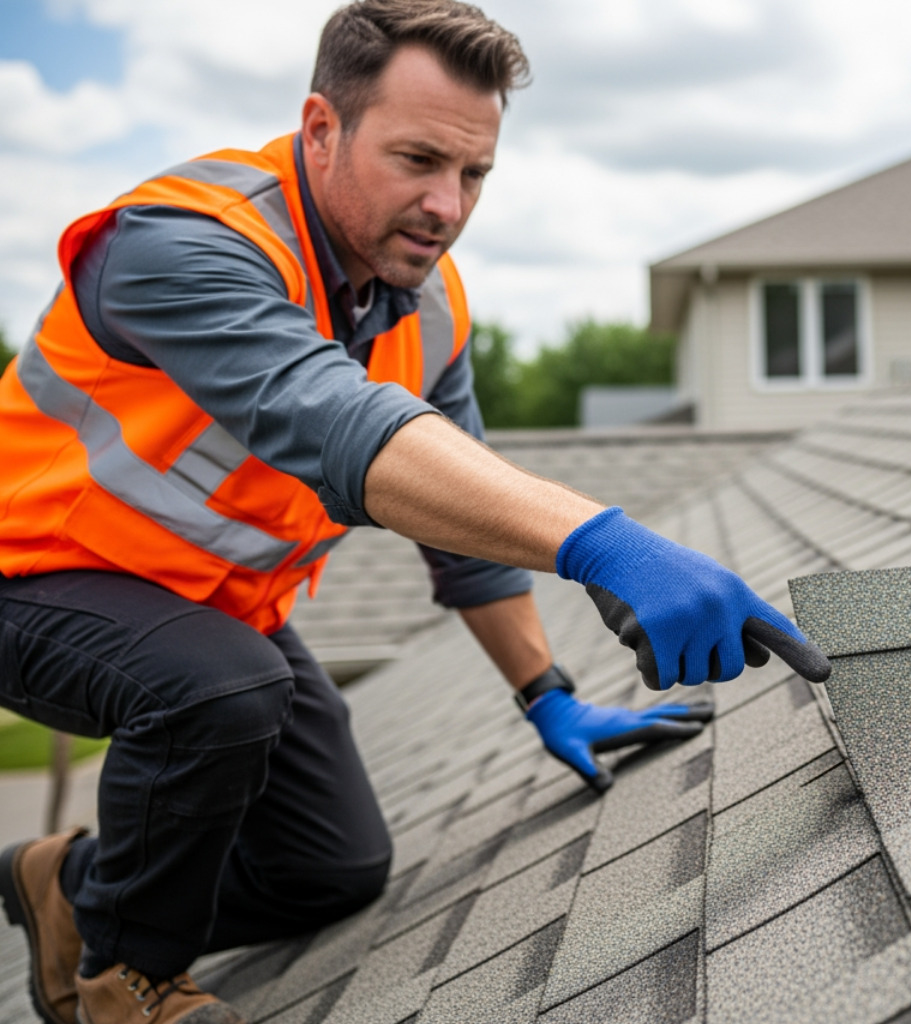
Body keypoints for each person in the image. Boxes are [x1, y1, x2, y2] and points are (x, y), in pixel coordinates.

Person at [0, 3, 830, 1022]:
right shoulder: (183, 245)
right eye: (418, 160)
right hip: (30, 576)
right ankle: (124, 979)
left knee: (331, 868)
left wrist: (547, 693)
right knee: (222, 692)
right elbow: (344, 428)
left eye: (474, 174)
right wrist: (607, 544)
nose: (446, 205)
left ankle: (71, 888)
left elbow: (457, 510)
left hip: (210, 611)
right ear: (320, 129)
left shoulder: (425, 303)